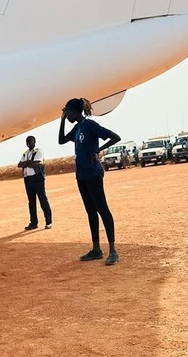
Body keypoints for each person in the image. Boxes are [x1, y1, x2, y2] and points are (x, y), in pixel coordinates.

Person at [58, 98, 121, 266]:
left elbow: (115, 137)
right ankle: (96, 249)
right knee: (91, 211)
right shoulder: (77, 128)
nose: (67, 116)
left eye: (67, 113)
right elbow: (61, 140)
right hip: (81, 175)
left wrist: (97, 150)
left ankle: (113, 251)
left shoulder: (90, 125)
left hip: (93, 174)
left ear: (74, 111)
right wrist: (62, 120)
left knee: (102, 210)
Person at [18, 136, 53, 230]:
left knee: (42, 200)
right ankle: (33, 223)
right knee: (31, 202)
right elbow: (19, 164)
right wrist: (29, 162)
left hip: (37, 178)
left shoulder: (39, 151)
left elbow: (36, 164)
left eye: (30, 141)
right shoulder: (25, 153)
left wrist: (26, 163)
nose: (28, 143)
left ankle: (48, 222)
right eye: (27, 141)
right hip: (28, 179)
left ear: (34, 142)